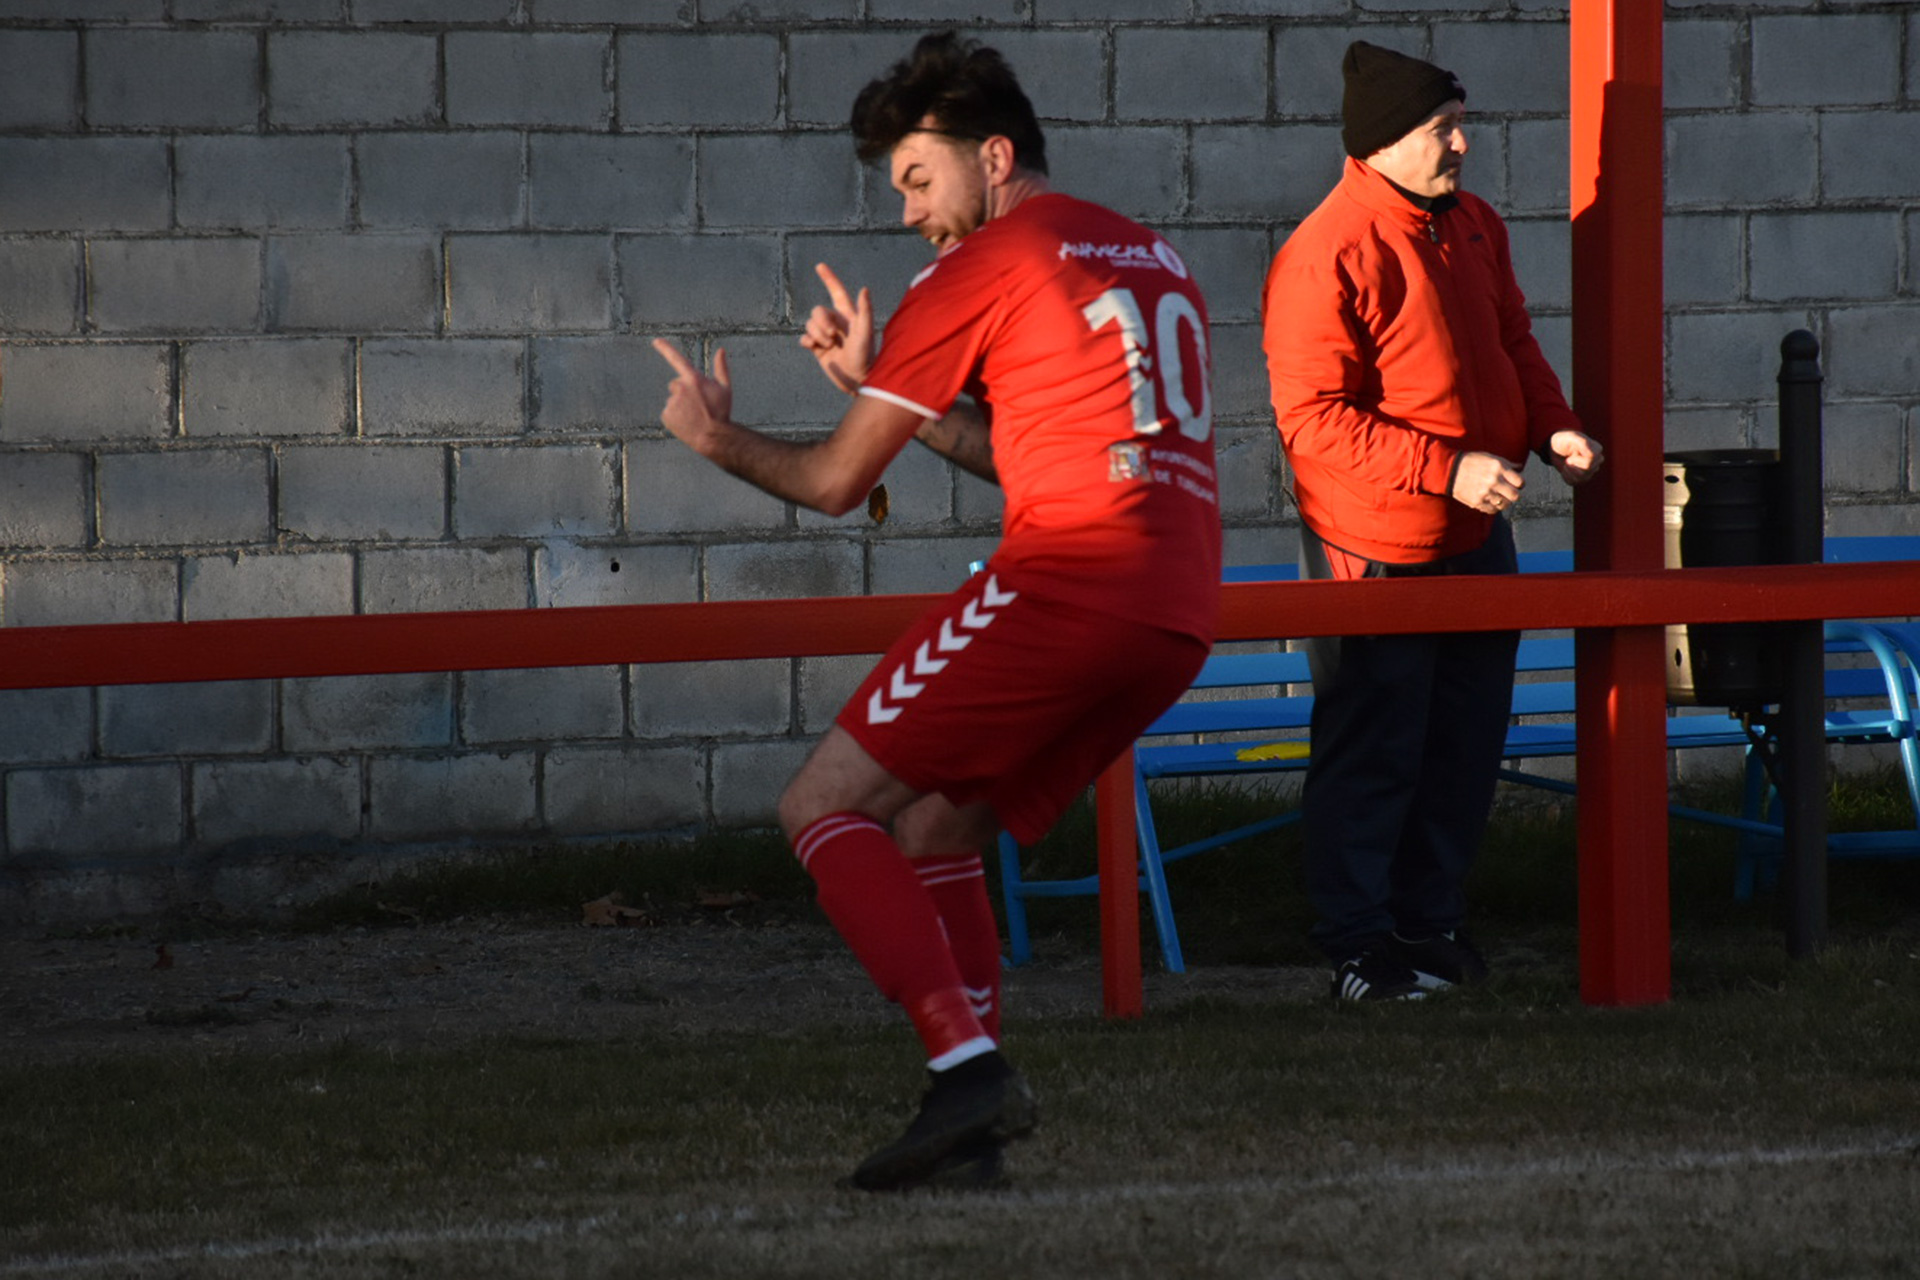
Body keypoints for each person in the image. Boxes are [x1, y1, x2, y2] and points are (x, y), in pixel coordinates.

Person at [652, 31, 1222, 1189]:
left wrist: (713, 437)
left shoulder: (987, 263)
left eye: (919, 179)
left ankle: (966, 1071)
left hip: (1068, 582)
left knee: (821, 805)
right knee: (936, 831)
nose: (910, 213)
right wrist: (885, 388)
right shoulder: (1148, 253)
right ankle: (973, 1122)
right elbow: (1031, 452)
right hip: (1174, 615)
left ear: (994, 156)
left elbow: (835, 483)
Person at [1260, 41, 1604, 1002]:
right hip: (1374, 547)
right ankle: (1357, 945)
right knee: (1375, 745)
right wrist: (1446, 469)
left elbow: (1511, 340)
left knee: (1465, 739)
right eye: (1441, 129)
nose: (1462, 144)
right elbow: (1310, 421)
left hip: (1476, 538)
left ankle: (1427, 922)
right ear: (1380, 143)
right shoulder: (1326, 252)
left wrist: (1553, 427)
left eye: (1461, 125)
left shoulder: (1475, 225)